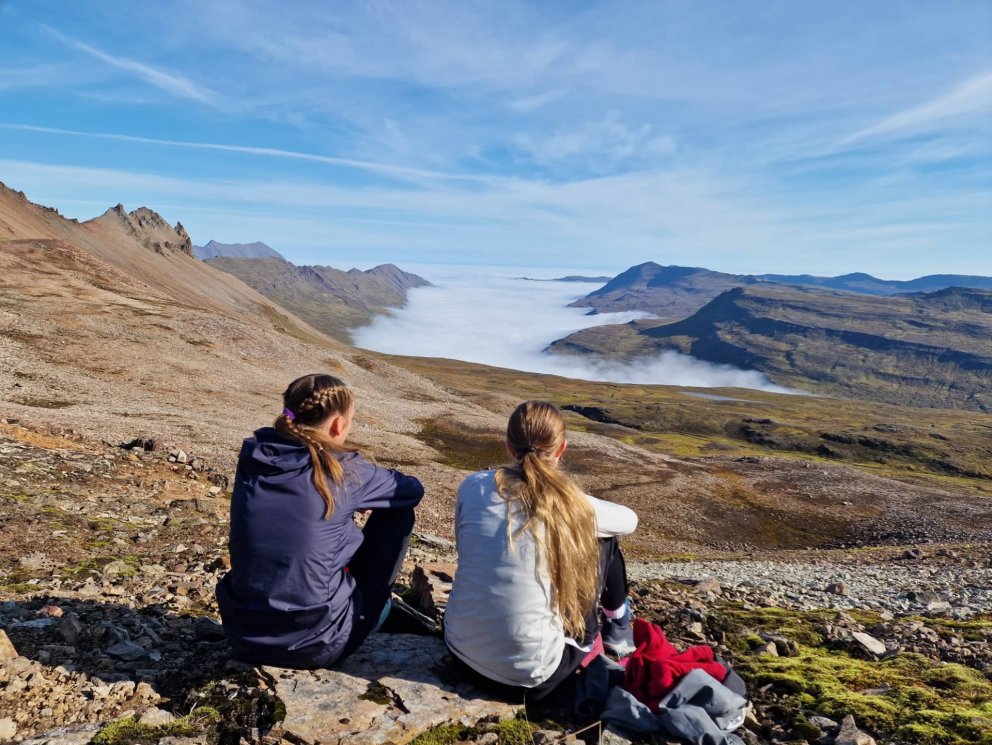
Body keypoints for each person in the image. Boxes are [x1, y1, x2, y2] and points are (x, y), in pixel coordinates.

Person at [216, 373, 424, 669]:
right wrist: (366, 496)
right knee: (398, 512)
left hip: (242, 634)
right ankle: (380, 610)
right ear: (338, 424)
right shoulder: (345, 471)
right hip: (316, 645)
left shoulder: (255, 456)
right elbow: (412, 490)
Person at [444, 400, 638, 702]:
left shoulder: (472, 485)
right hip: (533, 677)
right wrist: (576, 502)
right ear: (561, 449)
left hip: (460, 652)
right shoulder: (574, 505)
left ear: (509, 445)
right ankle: (618, 625)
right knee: (605, 539)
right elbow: (629, 520)